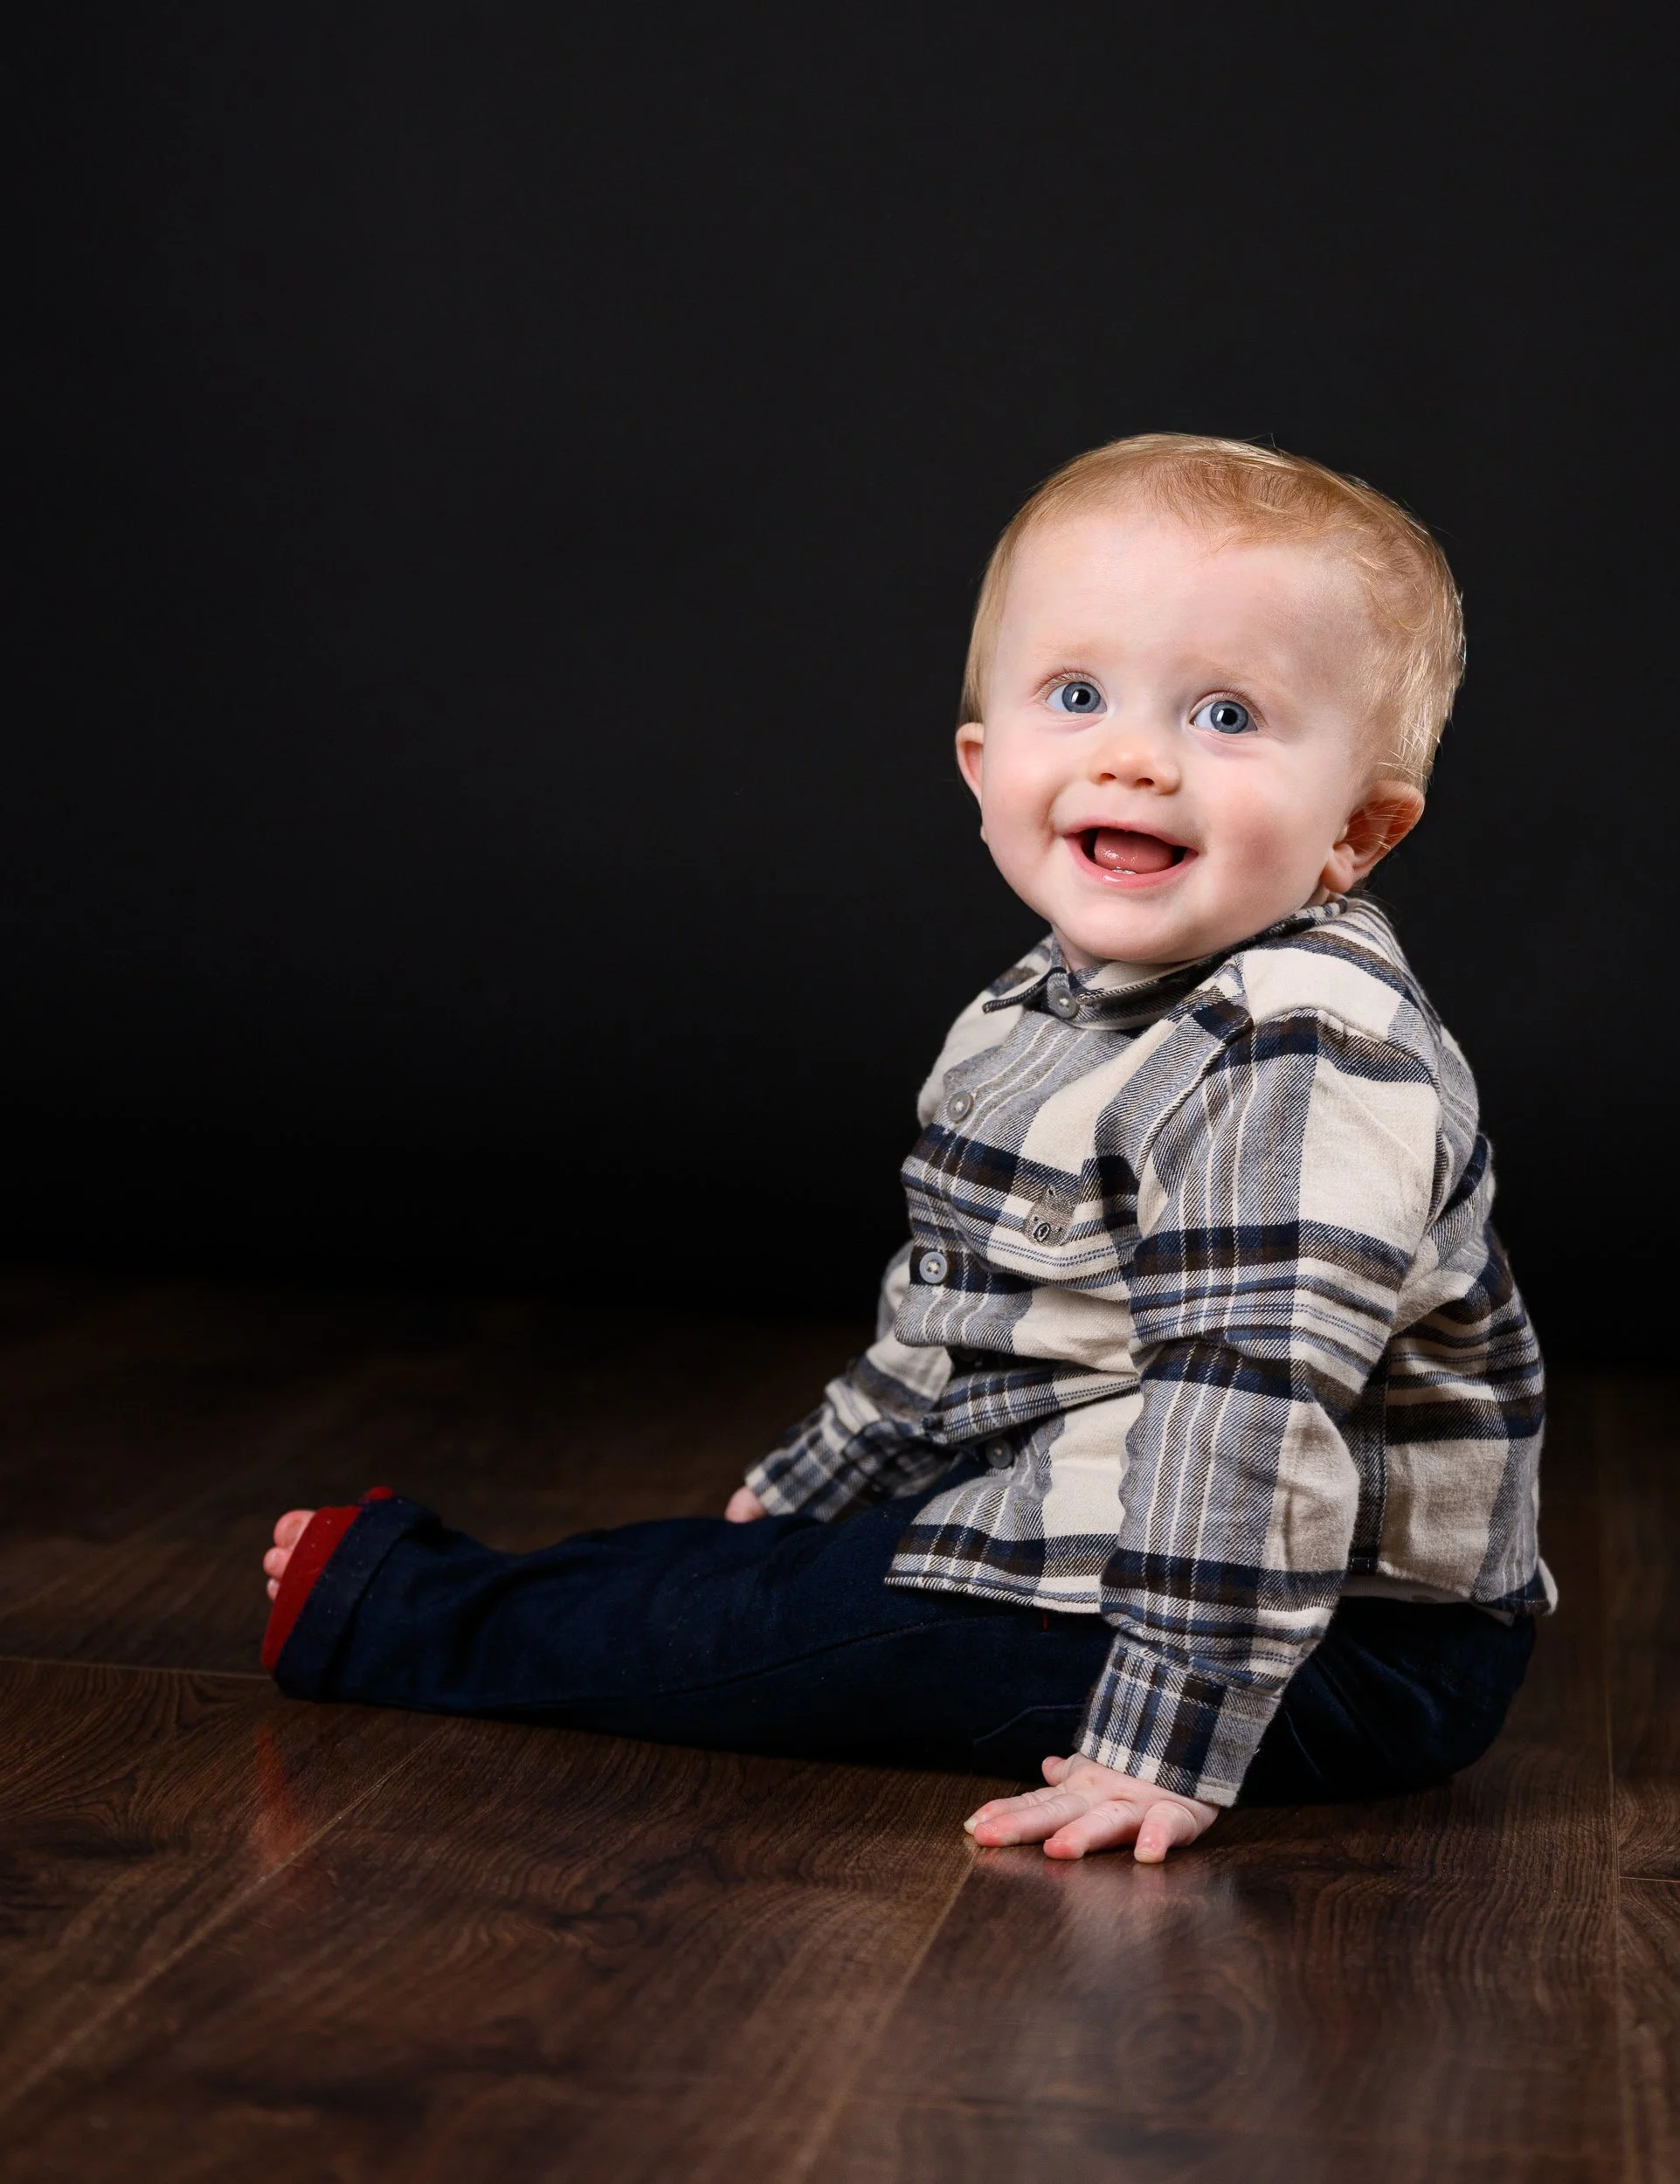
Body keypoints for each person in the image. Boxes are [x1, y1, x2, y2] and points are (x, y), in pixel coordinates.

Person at [260, 433, 1550, 1865]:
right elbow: (959, 1314)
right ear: (983, 765)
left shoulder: (1300, 1050)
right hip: (1092, 1521)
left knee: (790, 1634)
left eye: (1229, 716)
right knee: (747, 1570)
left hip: (1327, 1648)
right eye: (1079, 696)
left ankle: (405, 1616)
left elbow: (1253, 1411)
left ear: (1355, 833)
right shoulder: (1031, 1013)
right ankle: (491, 1580)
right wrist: (816, 1484)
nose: (1136, 754)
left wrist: (1161, 1742)